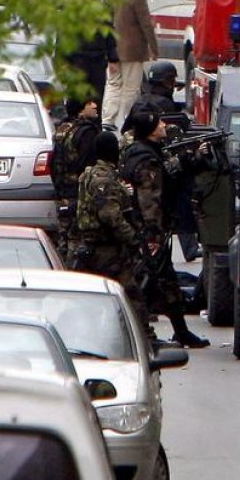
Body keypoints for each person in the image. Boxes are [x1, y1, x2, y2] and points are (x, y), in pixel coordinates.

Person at [120, 112, 209, 349]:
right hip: (148, 233)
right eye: (158, 123)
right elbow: (150, 200)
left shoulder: (147, 152)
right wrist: (153, 234)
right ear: (149, 128)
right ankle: (142, 337)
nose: (163, 125)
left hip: (151, 232)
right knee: (142, 285)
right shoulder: (146, 159)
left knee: (167, 282)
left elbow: (170, 172)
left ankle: (181, 332)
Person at [123, 61, 203, 263]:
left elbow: (126, 130)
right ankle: (187, 246)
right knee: (181, 199)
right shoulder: (164, 106)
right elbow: (175, 136)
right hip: (158, 160)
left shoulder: (141, 101)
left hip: (141, 157)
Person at [75, 131, 151, 335]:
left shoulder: (92, 173)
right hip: (106, 250)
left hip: (96, 247)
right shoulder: (103, 179)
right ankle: (144, 339)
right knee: (131, 295)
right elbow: (111, 216)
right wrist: (134, 240)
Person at [102, 0, 159, 132]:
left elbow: (105, 21)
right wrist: (154, 48)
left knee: (113, 84)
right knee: (131, 88)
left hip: (113, 47)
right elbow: (146, 25)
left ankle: (108, 118)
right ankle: (128, 118)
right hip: (133, 50)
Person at [51, 97, 101, 264]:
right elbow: (89, 164)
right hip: (78, 192)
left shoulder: (61, 129)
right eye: (89, 103)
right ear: (81, 108)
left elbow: (54, 162)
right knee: (78, 238)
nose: (95, 106)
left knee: (63, 237)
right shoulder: (87, 132)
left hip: (63, 191)